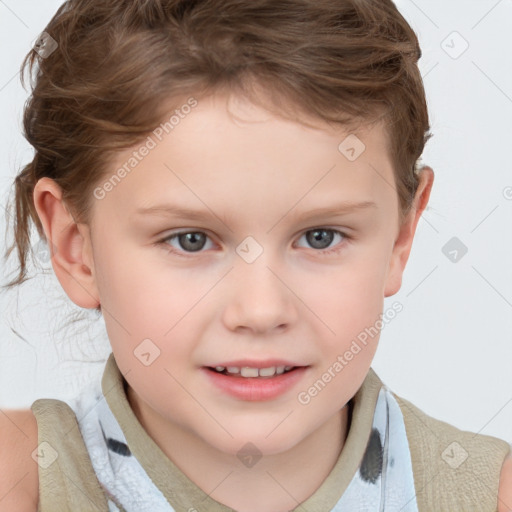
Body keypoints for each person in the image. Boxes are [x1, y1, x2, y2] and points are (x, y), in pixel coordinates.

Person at [1, 0, 511, 510]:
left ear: (401, 235)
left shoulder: (487, 496)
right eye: (191, 240)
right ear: (76, 248)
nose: (262, 311)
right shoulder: (22, 478)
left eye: (320, 237)